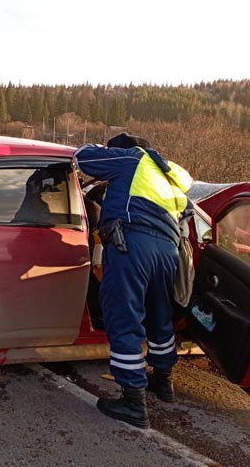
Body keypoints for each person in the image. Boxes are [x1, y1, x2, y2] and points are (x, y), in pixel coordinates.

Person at [74, 132, 193, 429]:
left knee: (124, 317)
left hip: (132, 247)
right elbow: (187, 215)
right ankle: (163, 383)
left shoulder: (130, 159)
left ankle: (132, 402)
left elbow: (83, 157)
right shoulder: (172, 177)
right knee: (159, 316)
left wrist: (98, 148)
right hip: (167, 252)